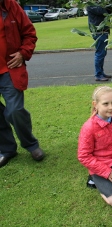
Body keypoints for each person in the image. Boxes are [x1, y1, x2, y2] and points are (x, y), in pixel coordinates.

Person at [0, 0, 45, 168]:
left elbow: (29, 34)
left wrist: (22, 53)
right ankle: (7, 149)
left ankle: (31, 145)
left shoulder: (11, 6)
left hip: (9, 70)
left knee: (15, 110)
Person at [87, 4, 112, 81]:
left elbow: (109, 11)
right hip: (98, 32)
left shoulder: (98, 4)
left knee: (103, 53)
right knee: (100, 53)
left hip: (103, 32)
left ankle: (101, 72)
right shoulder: (91, 5)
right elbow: (102, 11)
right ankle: (98, 74)